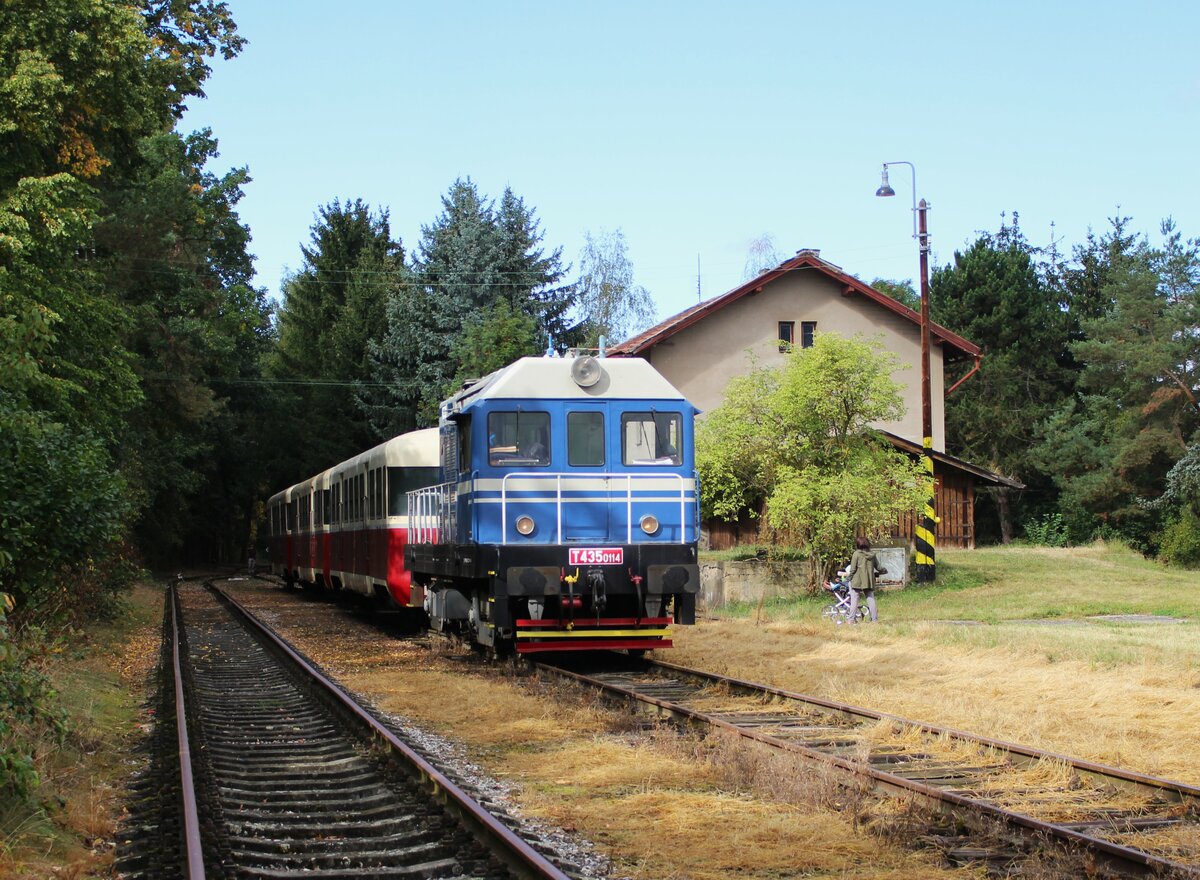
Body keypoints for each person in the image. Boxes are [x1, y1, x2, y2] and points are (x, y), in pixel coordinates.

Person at [842, 537, 885, 623]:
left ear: (858, 544)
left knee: (854, 600)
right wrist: (884, 571)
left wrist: (848, 579)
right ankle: (874, 620)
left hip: (857, 581)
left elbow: (853, 569)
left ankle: (851, 620)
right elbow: (879, 567)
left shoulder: (856, 554)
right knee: (870, 598)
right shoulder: (872, 555)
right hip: (868, 581)